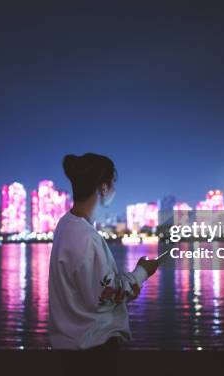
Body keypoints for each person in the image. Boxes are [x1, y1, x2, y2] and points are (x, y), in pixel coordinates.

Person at [48, 153, 159, 359]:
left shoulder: (65, 225)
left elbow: (92, 288)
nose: (115, 190)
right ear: (104, 187)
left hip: (67, 346)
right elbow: (106, 297)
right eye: (113, 184)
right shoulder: (86, 237)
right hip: (92, 351)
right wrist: (142, 273)